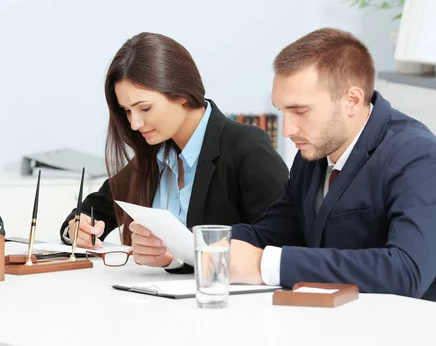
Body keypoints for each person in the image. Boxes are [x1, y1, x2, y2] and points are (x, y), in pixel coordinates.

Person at [211, 27, 436, 300]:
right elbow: (271, 233)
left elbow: (407, 271)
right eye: (283, 111)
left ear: (352, 100)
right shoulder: (313, 154)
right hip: (331, 324)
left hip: (403, 333)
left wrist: (266, 265)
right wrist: (198, 246)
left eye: (300, 111)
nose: (287, 129)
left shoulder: (417, 155)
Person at [59, 31, 289, 272]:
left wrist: (177, 259)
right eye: (127, 111)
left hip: (227, 304)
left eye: (144, 108)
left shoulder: (245, 146)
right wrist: (79, 229)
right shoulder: (156, 153)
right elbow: (95, 209)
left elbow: (279, 243)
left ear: (180, 93)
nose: (135, 124)